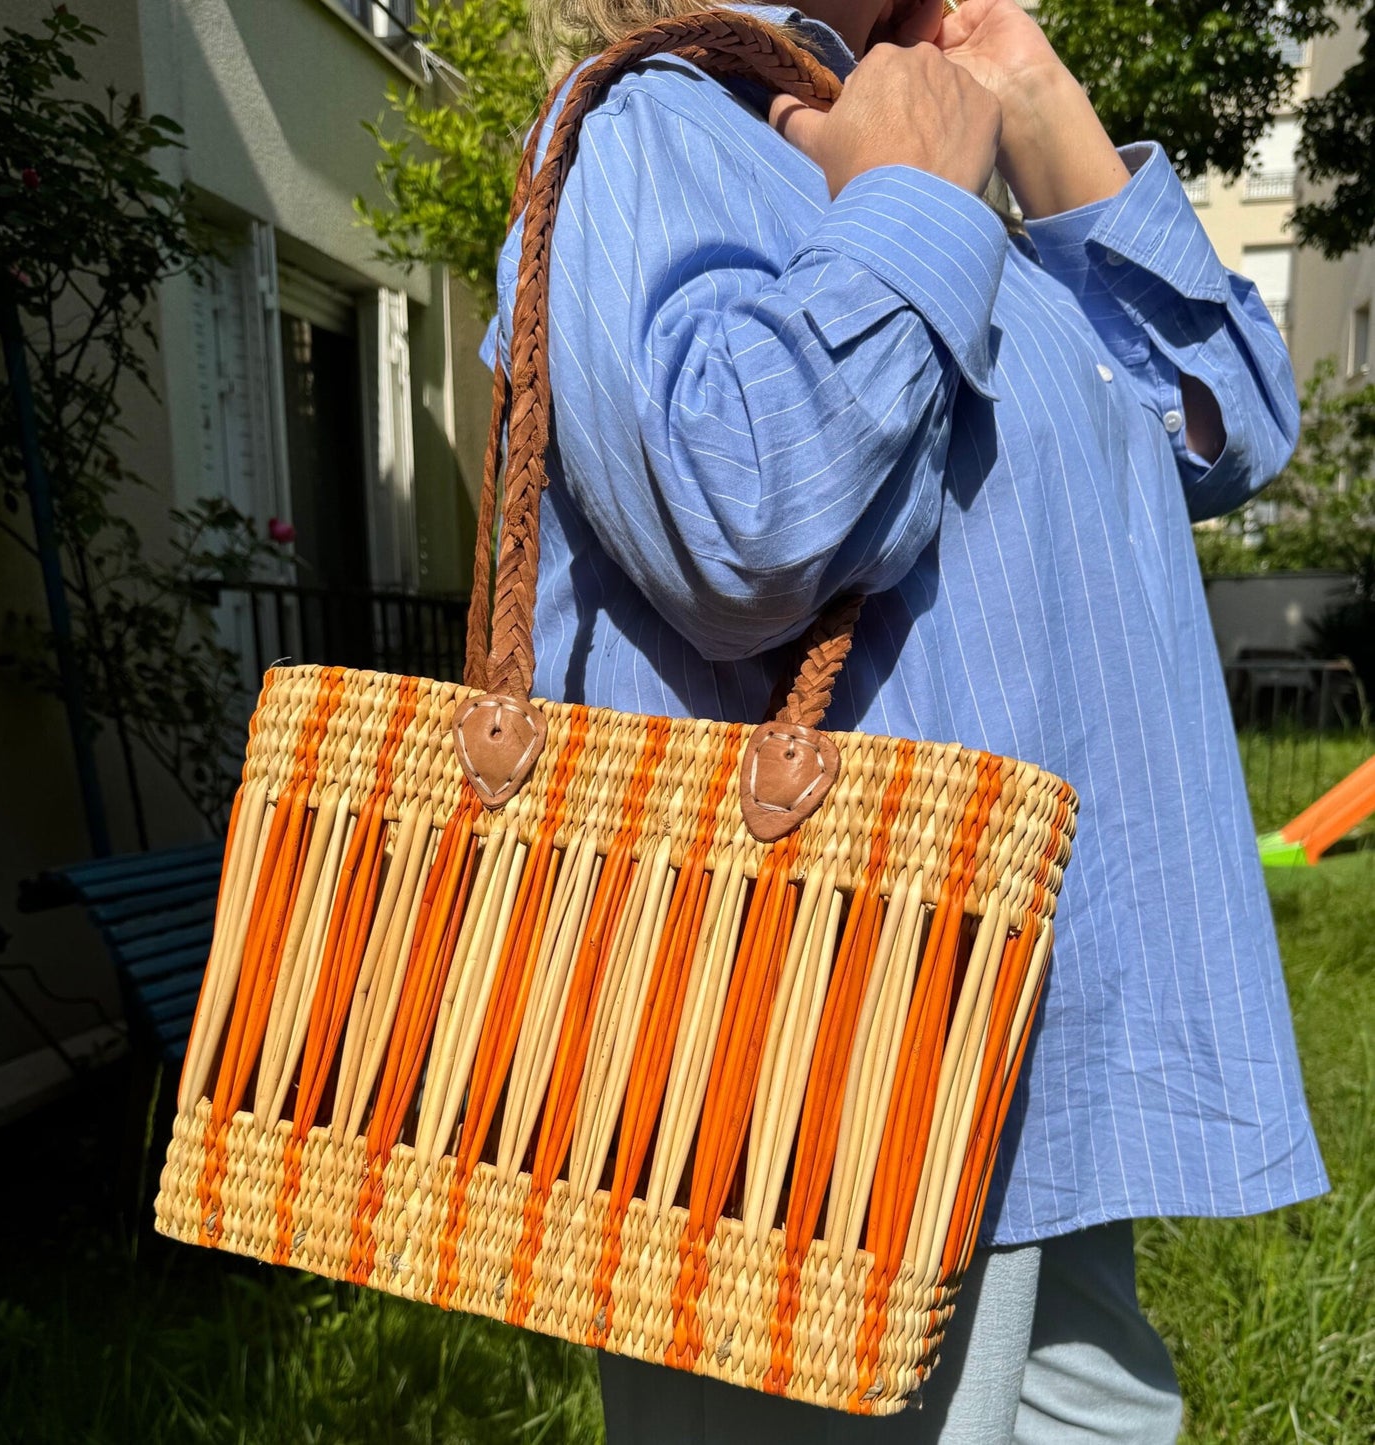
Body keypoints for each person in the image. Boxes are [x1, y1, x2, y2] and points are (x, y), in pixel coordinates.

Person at [478, 0, 1329, 1438]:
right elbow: (738, 513)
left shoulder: (922, 120)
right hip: (828, 1049)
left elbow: (1227, 415)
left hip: (1041, 1031)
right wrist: (912, 200)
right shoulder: (658, 132)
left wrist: (1028, 93)